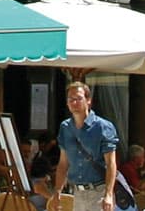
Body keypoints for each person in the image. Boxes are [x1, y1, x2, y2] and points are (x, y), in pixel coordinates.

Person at [51, 81, 119, 211]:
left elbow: (111, 163)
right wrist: (57, 192)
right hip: (77, 194)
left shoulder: (103, 127)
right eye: (71, 99)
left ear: (88, 101)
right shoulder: (65, 127)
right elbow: (63, 163)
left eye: (79, 98)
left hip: (99, 192)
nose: (74, 102)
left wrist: (109, 194)